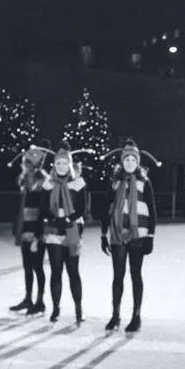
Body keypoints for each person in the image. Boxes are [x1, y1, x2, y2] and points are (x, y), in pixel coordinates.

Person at [100, 139, 159, 333]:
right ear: (122, 161)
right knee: (118, 276)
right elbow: (106, 209)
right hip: (117, 234)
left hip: (139, 235)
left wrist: (150, 235)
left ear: (138, 162)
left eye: (133, 160)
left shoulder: (144, 182)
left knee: (135, 274)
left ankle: (136, 316)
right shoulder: (115, 182)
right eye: (127, 159)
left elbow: (152, 209)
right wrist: (103, 234)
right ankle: (115, 315)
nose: (130, 163)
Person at [38, 140, 88, 325]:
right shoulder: (48, 184)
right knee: (56, 271)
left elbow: (82, 208)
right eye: (58, 163)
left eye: (64, 163)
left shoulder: (78, 183)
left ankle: (78, 309)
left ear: (69, 164)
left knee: (73, 271)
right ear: (54, 165)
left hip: (73, 231)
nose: (61, 166)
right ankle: (56, 309)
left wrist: (67, 218)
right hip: (53, 232)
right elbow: (42, 208)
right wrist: (53, 219)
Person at [9, 140, 52, 316]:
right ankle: (28, 298)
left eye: (29, 163)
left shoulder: (44, 182)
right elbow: (21, 207)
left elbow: (44, 210)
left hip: (37, 230)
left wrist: (38, 235)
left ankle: (40, 301)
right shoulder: (24, 181)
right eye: (26, 162)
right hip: (25, 228)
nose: (26, 166)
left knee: (37, 267)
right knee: (27, 266)